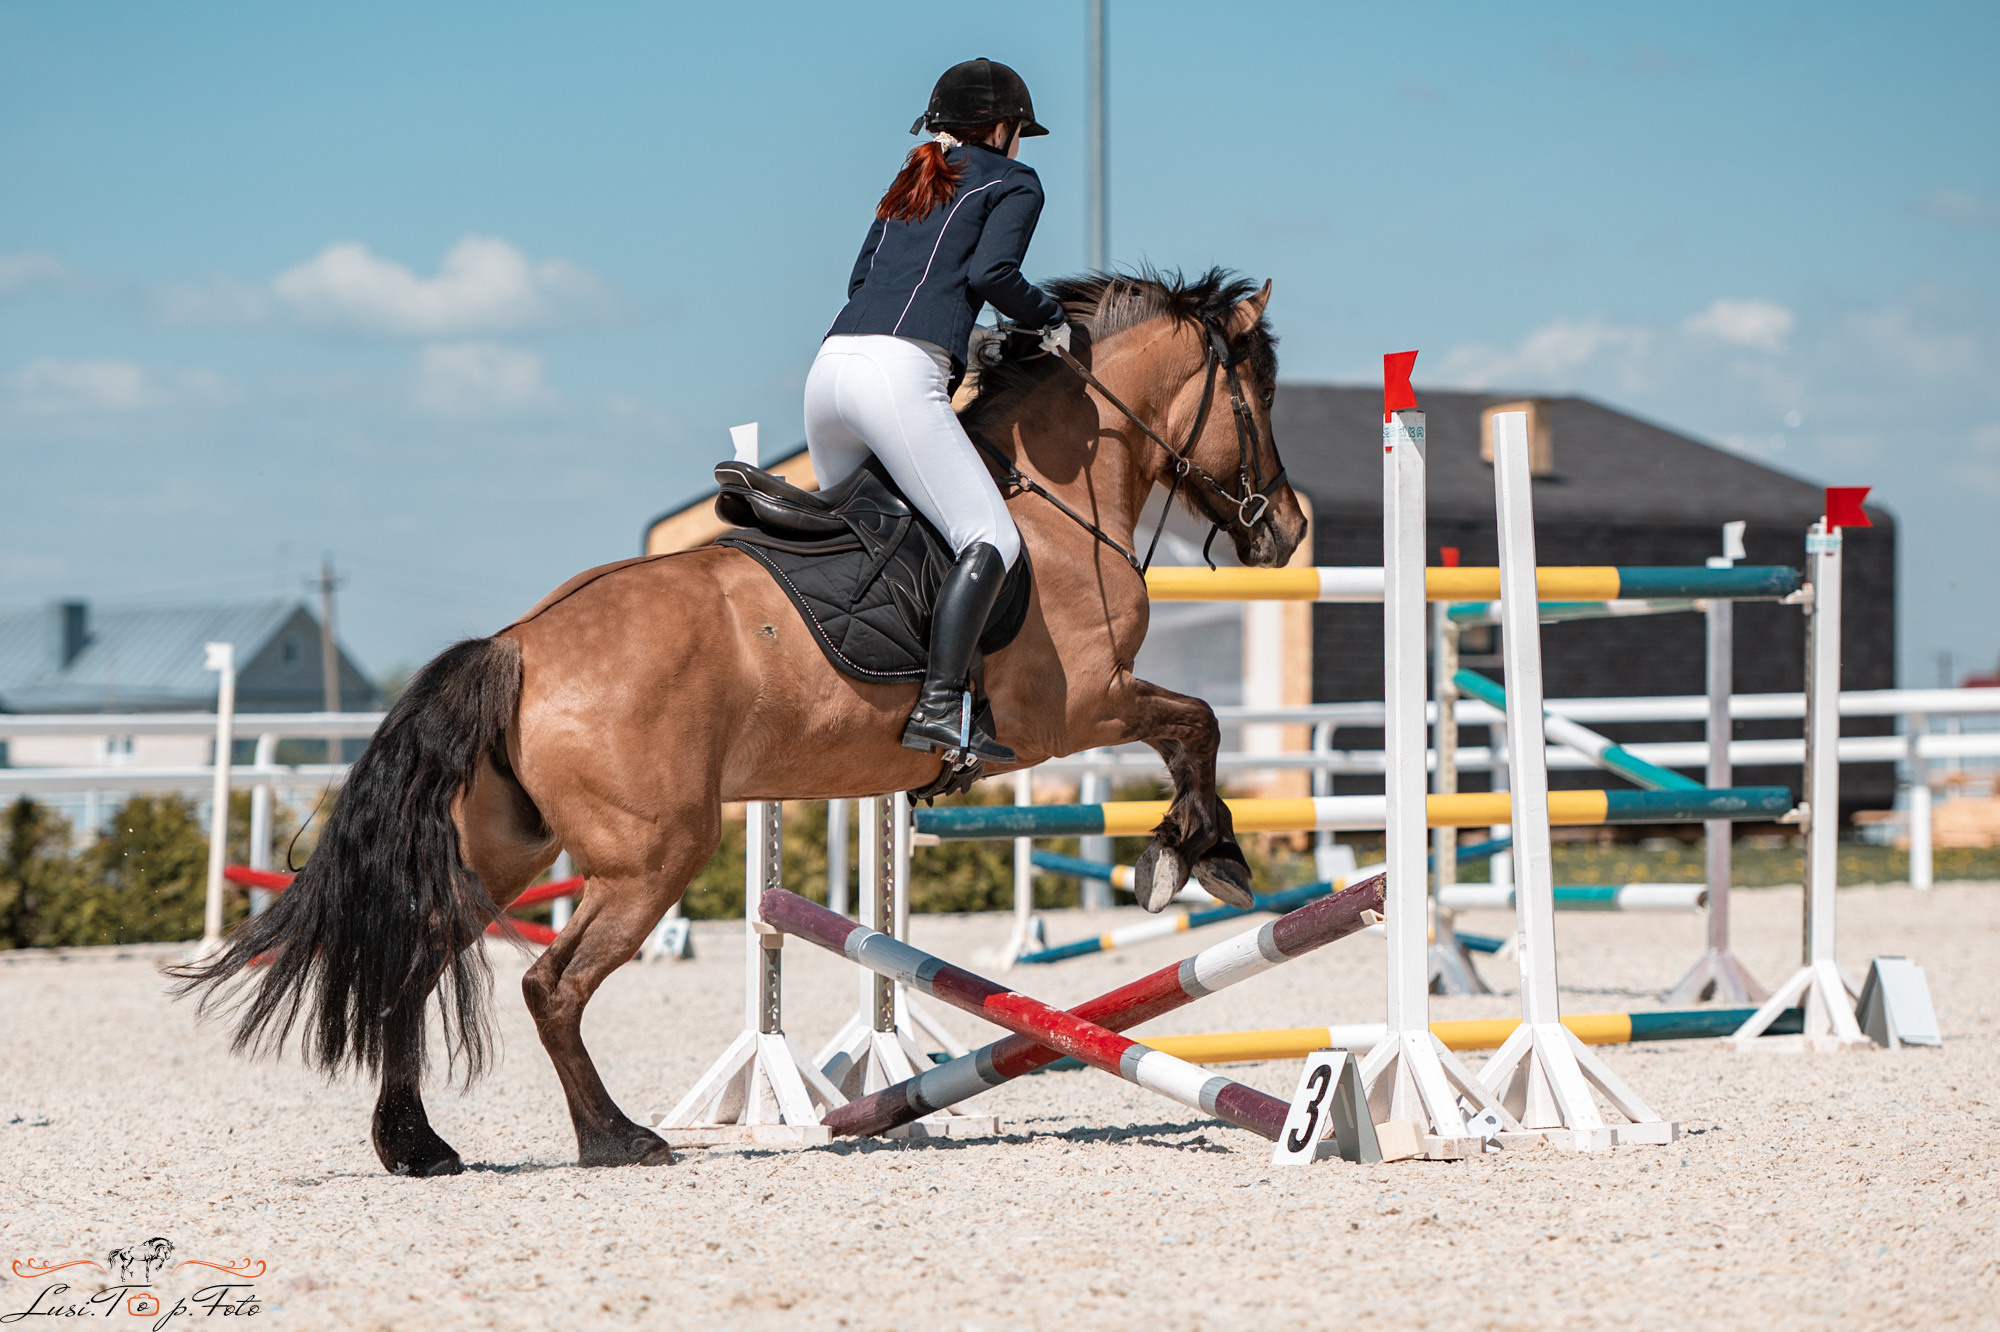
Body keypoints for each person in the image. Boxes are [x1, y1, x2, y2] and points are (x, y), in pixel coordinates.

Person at [805, 57, 1069, 766]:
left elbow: (862, 280)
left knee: (874, 542)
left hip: (828, 372)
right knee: (991, 540)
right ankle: (941, 705)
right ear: (1006, 128)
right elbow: (992, 276)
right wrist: (1050, 320)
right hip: (897, 376)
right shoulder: (1015, 181)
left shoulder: (912, 177)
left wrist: (969, 336)